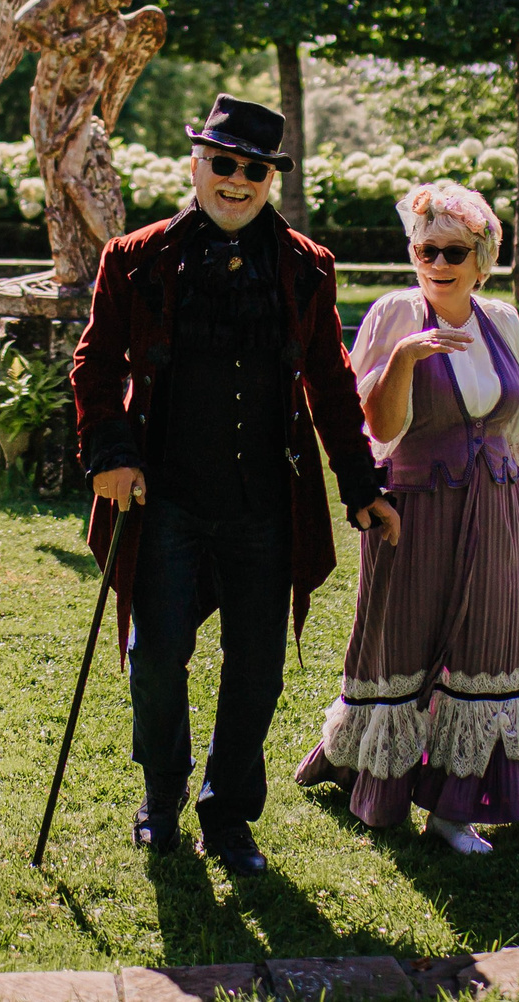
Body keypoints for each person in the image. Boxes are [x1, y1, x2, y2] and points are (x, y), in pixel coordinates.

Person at [70, 93, 403, 875]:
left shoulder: (304, 268)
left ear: (270, 180)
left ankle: (227, 815)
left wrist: (361, 484)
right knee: (155, 655)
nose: (236, 180)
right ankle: (160, 799)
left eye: (253, 170)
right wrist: (111, 453)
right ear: (196, 163)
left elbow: (329, 380)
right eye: (222, 163)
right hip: (166, 501)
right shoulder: (135, 258)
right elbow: (95, 365)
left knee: (257, 666)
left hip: (264, 502)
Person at [294, 179, 519, 854]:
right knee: (401, 643)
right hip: (414, 511)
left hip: (498, 511)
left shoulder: (501, 321)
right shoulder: (395, 313)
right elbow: (372, 428)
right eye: (425, 250)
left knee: (489, 648)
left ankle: (454, 809)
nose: (437, 264)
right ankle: (372, 774)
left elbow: (518, 426)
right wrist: (406, 359)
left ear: (482, 259)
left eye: (453, 251)